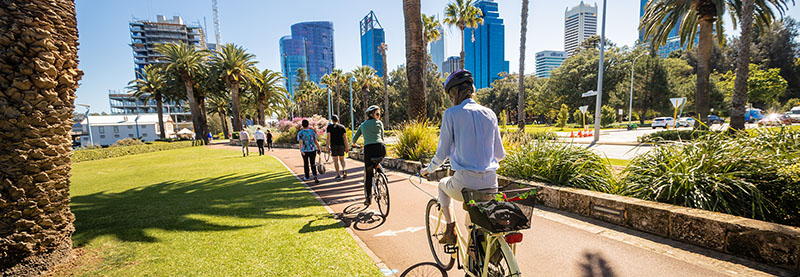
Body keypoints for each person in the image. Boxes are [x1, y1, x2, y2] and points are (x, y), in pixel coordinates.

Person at [420, 70, 505, 245]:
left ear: (453, 93)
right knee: (476, 220)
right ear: (472, 89)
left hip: (465, 184)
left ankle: (450, 229)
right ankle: (480, 256)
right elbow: (500, 155)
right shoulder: (490, 114)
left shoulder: (451, 114)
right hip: (491, 184)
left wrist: (427, 170)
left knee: (442, 186)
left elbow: (442, 154)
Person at [352, 105, 385, 206]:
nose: (379, 116)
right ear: (372, 114)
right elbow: (382, 137)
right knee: (378, 161)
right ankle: (383, 174)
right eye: (377, 114)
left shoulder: (362, 125)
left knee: (369, 173)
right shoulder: (379, 123)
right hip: (381, 148)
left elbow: (354, 139)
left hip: (369, 150)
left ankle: (368, 198)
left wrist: (354, 145)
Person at [297, 119, 322, 183]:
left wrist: (301, 150)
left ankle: (307, 176)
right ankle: (315, 175)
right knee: (312, 163)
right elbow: (316, 141)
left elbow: (301, 142)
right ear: (308, 124)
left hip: (305, 150)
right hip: (312, 149)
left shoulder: (300, 133)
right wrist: (319, 149)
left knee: (306, 164)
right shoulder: (312, 132)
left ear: (302, 125)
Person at [326, 115, 349, 180]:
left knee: (335, 161)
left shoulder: (329, 127)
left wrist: (328, 146)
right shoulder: (342, 127)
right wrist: (347, 147)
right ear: (338, 120)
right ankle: (344, 169)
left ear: (332, 120)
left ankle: (338, 174)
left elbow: (328, 138)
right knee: (342, 159)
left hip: (334, 145)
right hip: (341, 145)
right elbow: (345, 138)